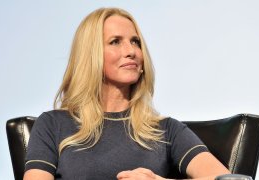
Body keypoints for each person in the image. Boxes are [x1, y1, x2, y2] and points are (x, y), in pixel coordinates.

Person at [24, 7, 230, 180]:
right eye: (115, 41)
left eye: (135, 42)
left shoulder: (166, 130)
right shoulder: (53, 125)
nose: (131, 51)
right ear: (91, 54)